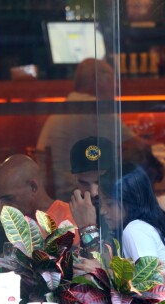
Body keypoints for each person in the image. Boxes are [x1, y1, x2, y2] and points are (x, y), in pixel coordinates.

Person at [98, 164, 165, 300]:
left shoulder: (135, 229)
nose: (102, 211)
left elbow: (157, 294)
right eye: (101, 203)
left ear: (130, 201)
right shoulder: (150, 224)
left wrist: (102, 273)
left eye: (109, 204)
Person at [36, 58, 134, 201]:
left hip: (58, 194)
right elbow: (136, 145)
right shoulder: (95, 109)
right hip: (78, 196)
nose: (117, 87)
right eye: (113, 81)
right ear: (99, 81)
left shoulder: (68, 105)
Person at [0, 154, 79, 245]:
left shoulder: (69, 219)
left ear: (33, 187)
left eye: (9, 198)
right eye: (0, 199)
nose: (3, 208)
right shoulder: (13, 224)